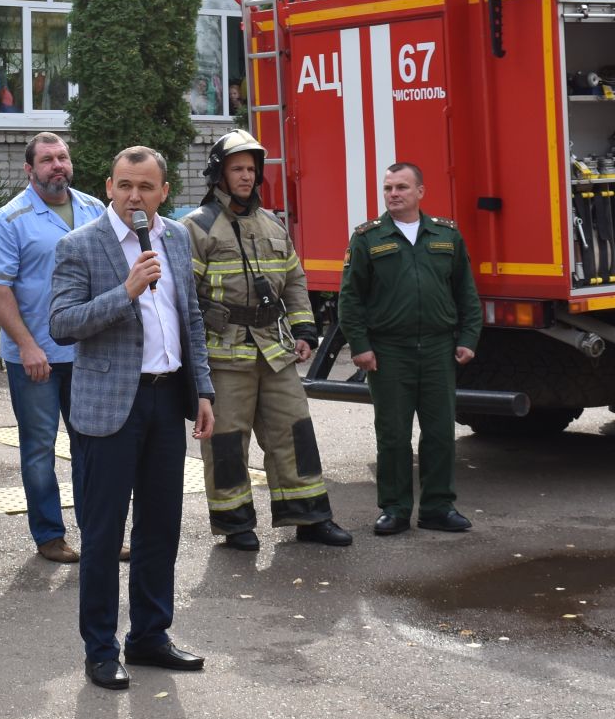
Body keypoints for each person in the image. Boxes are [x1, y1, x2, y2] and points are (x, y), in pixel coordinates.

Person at [50, 147, 214, 692]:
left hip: (167, 401)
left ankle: (149, 636)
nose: (134, 197)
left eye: (145, 187)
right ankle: (101, 649)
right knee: (102, 536)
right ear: (108, 186)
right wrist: (125, 292)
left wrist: (203, 391)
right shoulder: (80, 245)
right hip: (108, 408)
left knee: (160, 528)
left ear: (164, 191)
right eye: (124, 186)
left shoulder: (176, 238)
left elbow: (189, 315)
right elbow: (62, 323)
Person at [183, 130, 351, 551]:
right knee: (226, 442)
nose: (246, 176)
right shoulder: (196, 227)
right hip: (224, 354)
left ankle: (310, 517)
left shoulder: (272, 223)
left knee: (294, 432)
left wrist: (304, 329)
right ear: (218, 173)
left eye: (251, 170)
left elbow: (294, 280)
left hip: (274, 352)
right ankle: (235, 523)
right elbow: (182, 296)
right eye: (237, 169)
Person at [336, 161, 482, 536]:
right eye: (388, 188)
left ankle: (438, 507)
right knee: (393, 434)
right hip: (389, 352)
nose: (394, 194)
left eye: (402, 187)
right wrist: (361, 347)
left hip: (438, 349)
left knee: (438, 433)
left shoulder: (446, 235)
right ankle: (395, 509)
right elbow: (350, 300)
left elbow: (465, 291)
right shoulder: (368, 238)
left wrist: (468, 338)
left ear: (420, 192)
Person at [0, 132, 105, 564]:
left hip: (89, 353)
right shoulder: (8, 220)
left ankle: (99, 533)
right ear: (29, 169)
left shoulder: (95, 210)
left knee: (92, 445)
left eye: (63, 157)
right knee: (38, 448)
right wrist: (28, 346)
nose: (58, 165)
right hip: (36, 357)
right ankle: (50, 535)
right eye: (48, 159)